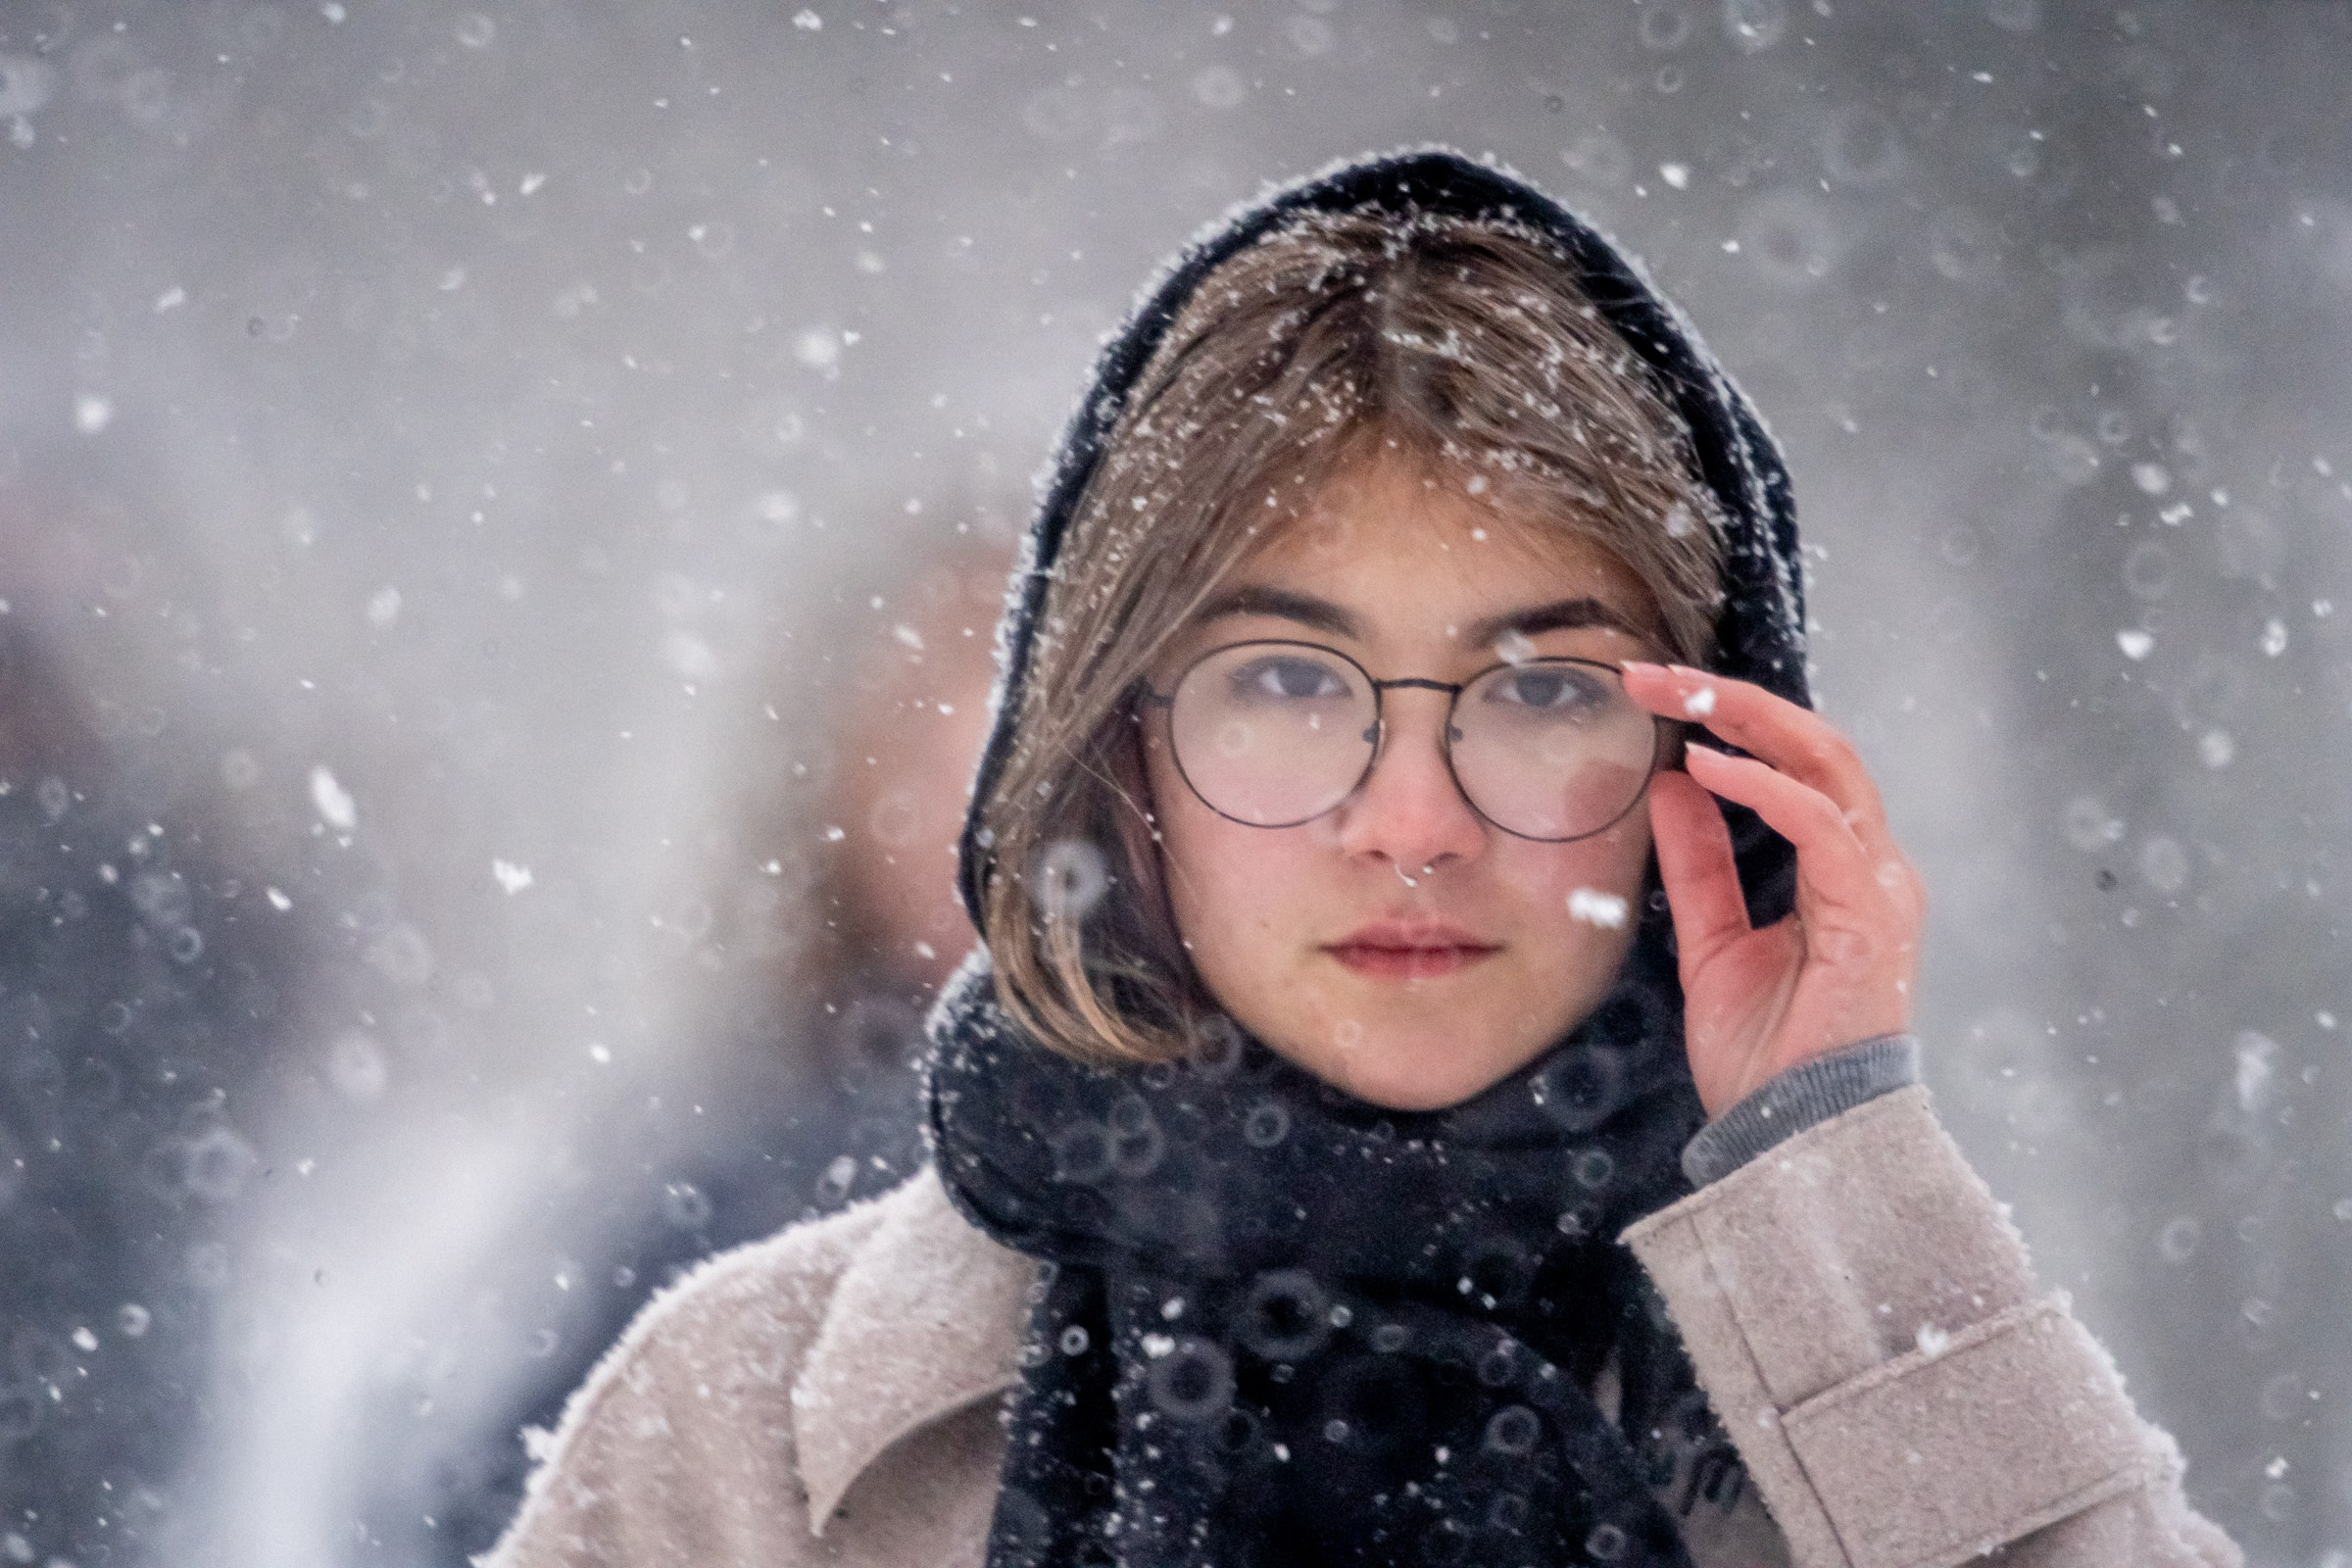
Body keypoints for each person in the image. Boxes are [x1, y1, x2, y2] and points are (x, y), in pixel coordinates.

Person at [487, 151, 2240, 1568]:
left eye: (1545, 686)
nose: (1413, 821)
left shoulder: (1860, 1436)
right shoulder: (739, 1438)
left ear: (1703, 764)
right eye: (1283, 682)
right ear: (1114, 760)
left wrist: (1835, 1183)